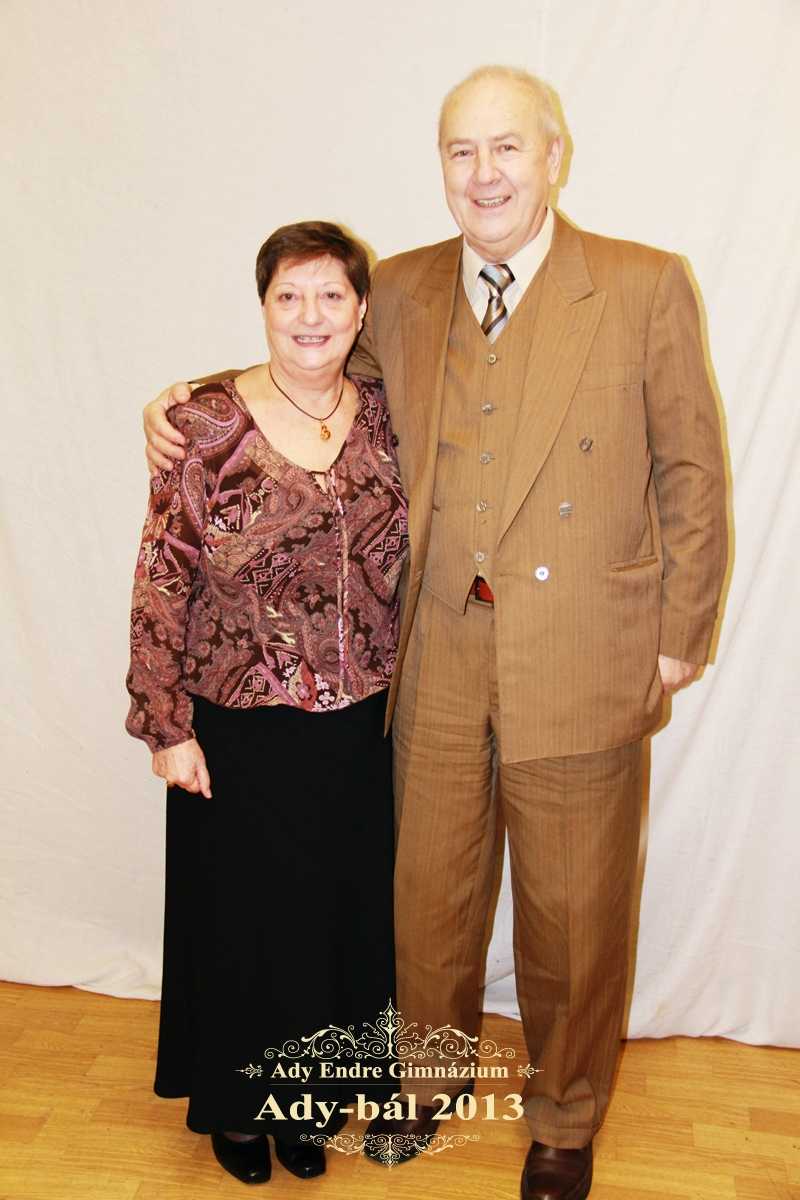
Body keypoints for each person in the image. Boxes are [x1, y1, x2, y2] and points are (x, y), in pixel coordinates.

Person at [143, 67, 728, 1200]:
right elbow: (303, 374)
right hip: (438, 648)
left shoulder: (643, 283)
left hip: (585, 647)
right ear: (441, 168)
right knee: (429, 895)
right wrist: (181, 404)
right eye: (461, 151)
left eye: (507, 148)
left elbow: (691, 471)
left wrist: (678, 635)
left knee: (572, 911)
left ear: (553, 155)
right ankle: (424, 1080)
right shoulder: (403, 287)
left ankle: (564, 1117)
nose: (484, 173)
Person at [126, 221, 408, 1186]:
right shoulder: (206, 422)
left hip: (360, 726)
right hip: (237, 726)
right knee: (244, 929)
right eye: (289, 295)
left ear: (360, 310)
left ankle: (307, 1110)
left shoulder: (389, 415)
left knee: (331, 926)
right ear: (263, 308)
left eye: (330, 294)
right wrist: (166, 726)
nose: (309, 315)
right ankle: (239, 1115)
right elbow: (162, 577)